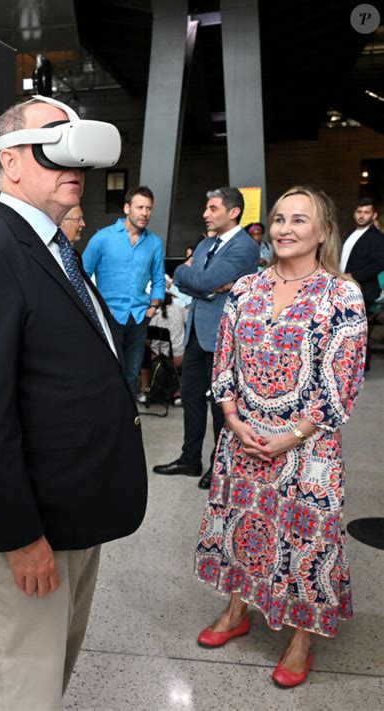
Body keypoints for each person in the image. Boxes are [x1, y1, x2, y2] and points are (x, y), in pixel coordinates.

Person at [0, 96, 147, 711]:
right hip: (33, 531)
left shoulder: (55, 248)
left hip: (75, 512)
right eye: (52, 146)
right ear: (10, 165)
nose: (73, 162)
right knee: (26, 689)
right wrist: (20, 536)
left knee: (52, 674)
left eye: (76, 147)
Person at [195, 186, 367, 689]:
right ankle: (236, 611)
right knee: (239, 527)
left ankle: (301, 636)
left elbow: (344, 382)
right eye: (278, 219)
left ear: (322, 231)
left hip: (307, 448)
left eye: (299, 220)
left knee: (305, 539)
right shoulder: (246, 289)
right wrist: (230, 416)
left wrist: (293, 435)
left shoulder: (342, 294)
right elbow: (223, 360)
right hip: (243, 437)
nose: (285, 229)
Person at [153, 187, 259, 489]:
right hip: (196, 334)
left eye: (212, 208)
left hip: (224, 336)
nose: (205, 214)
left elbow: (201, 279)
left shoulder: (245, 247)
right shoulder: (204, 244)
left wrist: (196, 280)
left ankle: (219, 465)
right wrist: (199, 282)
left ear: (233, 211)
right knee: (191, 398)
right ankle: (189, 459)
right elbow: (194, 282)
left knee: (221, 405)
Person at [82, 186, 165, 398]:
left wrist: (153, 307)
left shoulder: (154, 243)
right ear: (127, 208)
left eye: (149, 208)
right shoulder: (103, 238)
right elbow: (81, 276)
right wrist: (99, 306)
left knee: (131, 375)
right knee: (107, 372)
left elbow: (158, 279)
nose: (145, 213)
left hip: (138, 318)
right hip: (109, 317)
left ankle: (128, 424)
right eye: (140, 207)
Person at [340, 197, 384, 370]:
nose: (361, 215)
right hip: (346, 288)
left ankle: (361, 368)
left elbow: (379, 263)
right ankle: (349, 365)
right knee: (348, 330)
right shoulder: (351, 233)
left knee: (359, 331)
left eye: (366, 212)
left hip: (363, 289)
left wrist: (353, 275)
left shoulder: (377, 237)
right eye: (359, 212)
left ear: (373, 215)